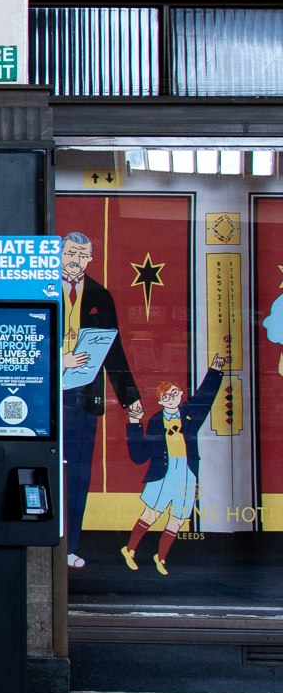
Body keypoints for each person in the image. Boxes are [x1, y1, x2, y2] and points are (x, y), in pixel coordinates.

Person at [58, 231, 142, 570]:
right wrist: (58, 358)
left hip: (84, 397)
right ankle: (44, 539)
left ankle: (70, 546)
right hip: (45, 394)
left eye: (82, 255)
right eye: (70, 253)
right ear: (59, 254)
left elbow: (113, 350)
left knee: (78, 473)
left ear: (90, 259)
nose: (75, 260)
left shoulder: (100, 295)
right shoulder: (40, 288)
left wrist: (129, 398)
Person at [120, 353, 227, 575]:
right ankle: (129, 549)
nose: (171, 397)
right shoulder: (155, 421)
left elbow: (205, 397)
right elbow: (139, 456)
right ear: (160, 401)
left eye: (175, 393)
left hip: (187, 474)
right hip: (163, 474)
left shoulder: (189, 414)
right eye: (166, 396)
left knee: (177, 520)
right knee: (151, 515)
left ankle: (161, 558)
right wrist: (133, 422)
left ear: (180, 394)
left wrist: (215, 371)